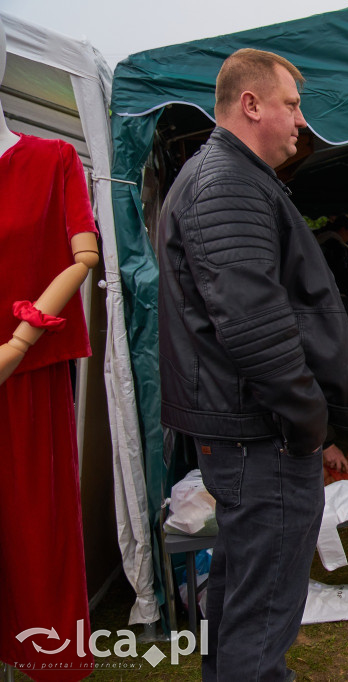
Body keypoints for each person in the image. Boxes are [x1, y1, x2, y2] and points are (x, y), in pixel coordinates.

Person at [157, 48, 348, 681]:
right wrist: (308, 420)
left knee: (245, 589)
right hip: (264, 431)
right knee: (265, 609)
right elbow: (252, 323)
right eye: (292, 105)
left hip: (251, 428)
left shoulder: (228, 178)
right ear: (250, 105)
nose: (301, 122)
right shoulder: (226, 183)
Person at [0, 19, 98, 679]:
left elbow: (83, 257)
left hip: (25, 379)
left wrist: (17, 342)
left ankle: (41, 654)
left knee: (35, 533)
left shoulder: (51, 160)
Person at [316, 213, 348, 326]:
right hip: (337, 299)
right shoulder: (336, 247)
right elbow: (343, 275)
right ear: (342, 229)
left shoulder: (320, 243)